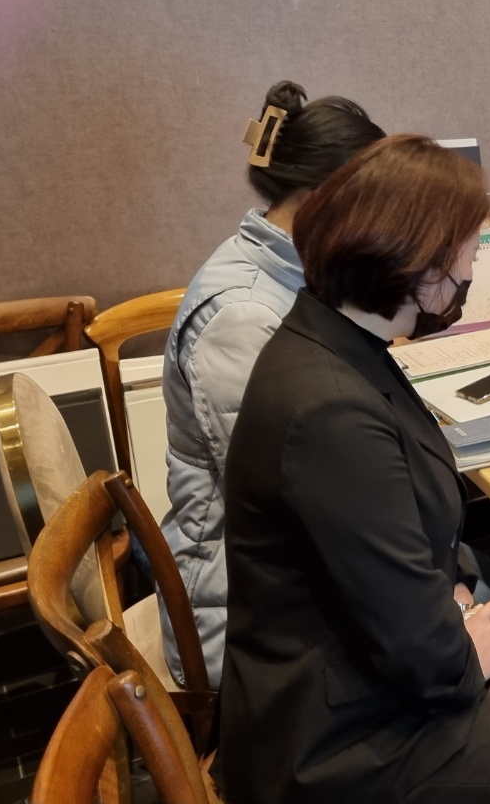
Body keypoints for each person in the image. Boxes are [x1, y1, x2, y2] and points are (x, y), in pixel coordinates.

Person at [220, 135, 490, 804]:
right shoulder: (330, 413)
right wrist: (460, 649)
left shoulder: (332, 338)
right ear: (416, 260)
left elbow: (390, 557)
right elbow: (413, 639)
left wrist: (457, 597)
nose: (474, 263)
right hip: (332, 731)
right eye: (469, 245)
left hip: (364, 654)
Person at [160, 81, 385, 688]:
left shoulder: (295, 272)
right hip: (243, 618)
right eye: (371, 205)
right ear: (318, 200)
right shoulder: (244, 314)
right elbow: (288, 494)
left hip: (290, 574)